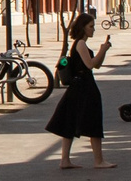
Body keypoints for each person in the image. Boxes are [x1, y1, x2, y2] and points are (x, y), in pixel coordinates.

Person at [46, 11, 114, 169]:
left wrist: (104, 49)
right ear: (83, 27)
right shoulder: (81, 44)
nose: (93, 29)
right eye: (91, 26)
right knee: (93, 121)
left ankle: (65, 160)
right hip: (84, 87)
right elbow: (90, 64)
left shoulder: (80, 44)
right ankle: (99, 161)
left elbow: (96, 65)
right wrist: (103, 50)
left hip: (80, 86)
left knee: (69, 121)